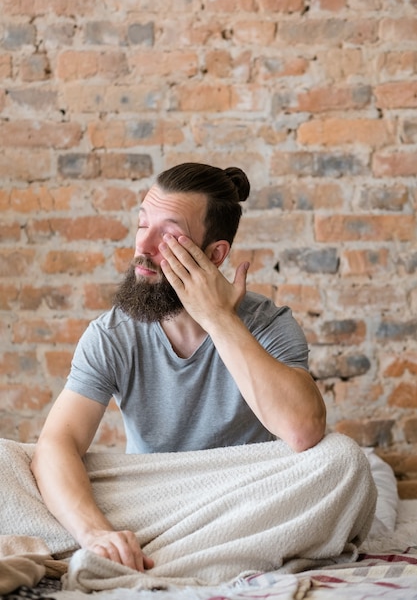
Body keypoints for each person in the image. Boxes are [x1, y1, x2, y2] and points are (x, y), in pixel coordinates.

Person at [30, 162, 346, 574]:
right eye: (143, 224)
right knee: (9, 463)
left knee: (344, 461)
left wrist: (219, 319)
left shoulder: (269, 323)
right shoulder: (111, 334)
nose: (144, 245)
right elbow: (58, 441)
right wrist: (95, 533)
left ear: (215, 254)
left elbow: (303, 431)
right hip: (159, 495)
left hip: (246, 494)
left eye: (169, 234)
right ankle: (181, 551)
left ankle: (162, 553)